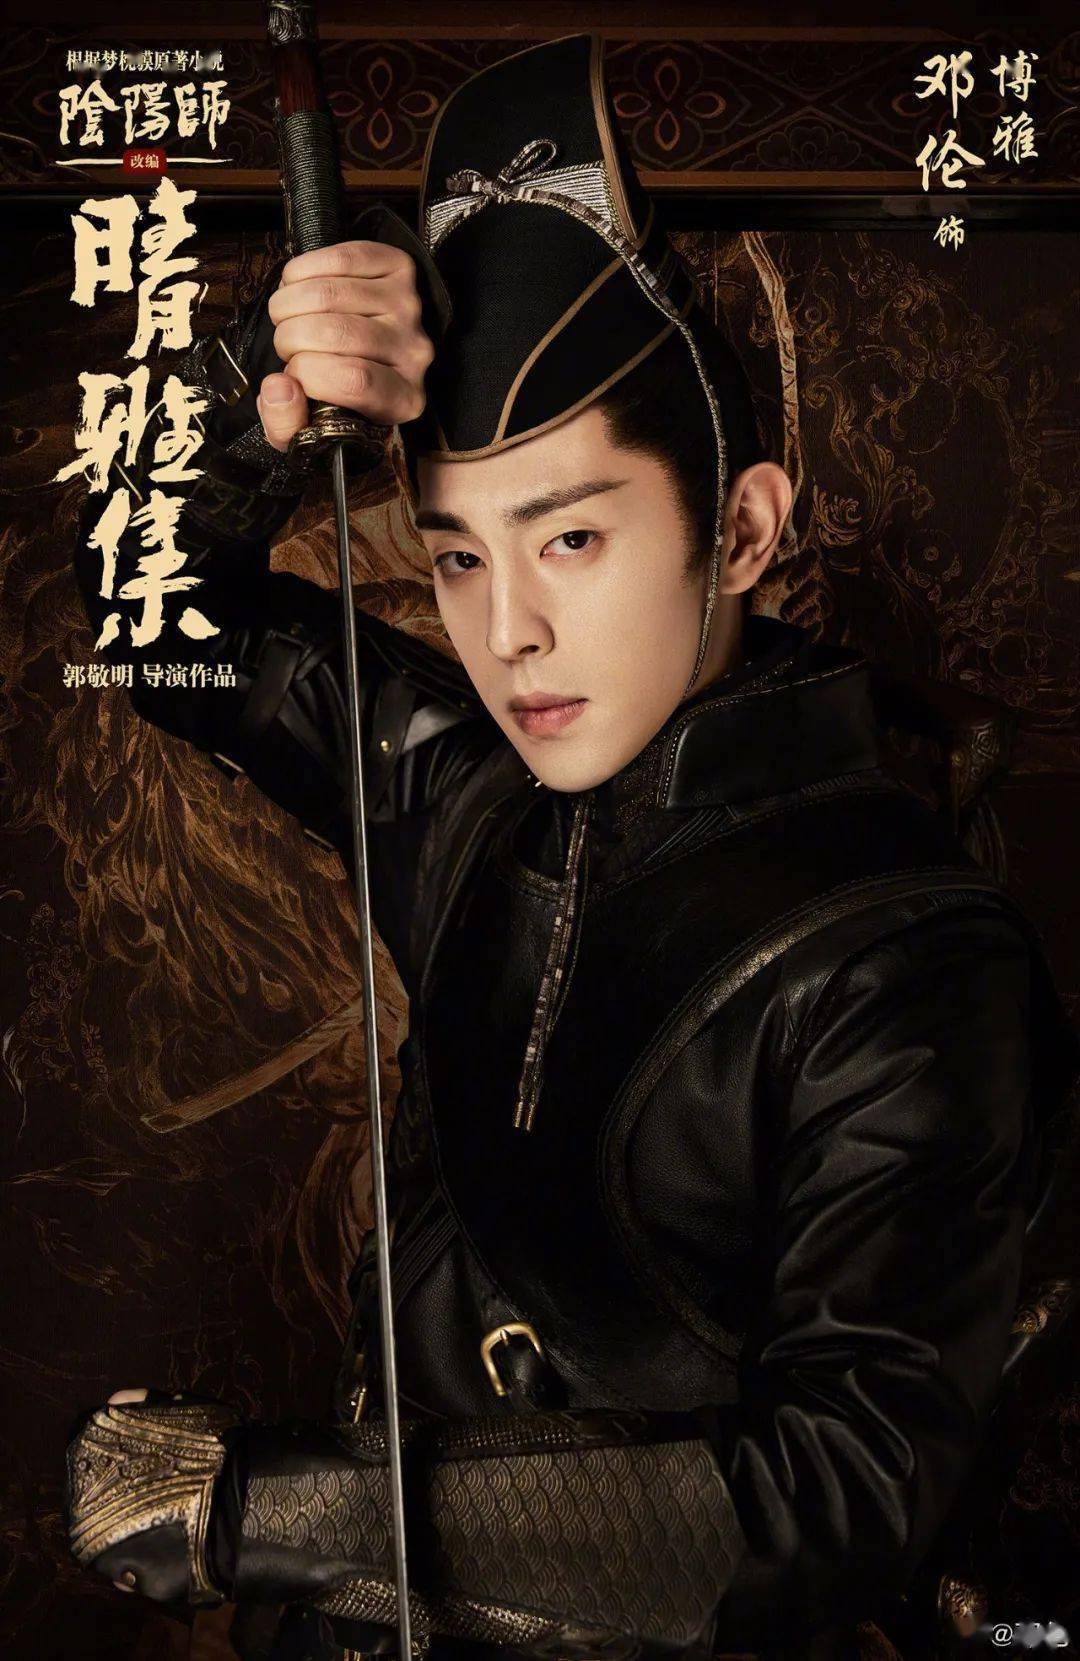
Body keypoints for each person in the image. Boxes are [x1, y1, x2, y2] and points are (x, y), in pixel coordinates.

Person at [64, 33, 1078, 1661]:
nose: (509, 633)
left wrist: (265, 1513)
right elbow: (149, 613)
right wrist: (267, 379)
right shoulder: (464, 794)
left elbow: (845, 1489)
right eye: (461, 556)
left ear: (740, 528)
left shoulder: (907, 955)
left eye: (576, 537)